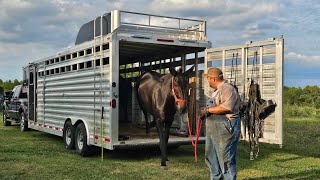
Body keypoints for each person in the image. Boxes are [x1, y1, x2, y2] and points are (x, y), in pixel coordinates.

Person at [199, 67, 241, 180]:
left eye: (208, 79)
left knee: (226, 160)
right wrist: (205, 114)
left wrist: (208, 110)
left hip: (226, 129)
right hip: (214, 130)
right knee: (211, 158)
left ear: (213, 79)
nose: (208, 82)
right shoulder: (216, 91)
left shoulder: (227, 89)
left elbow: (227, 107)